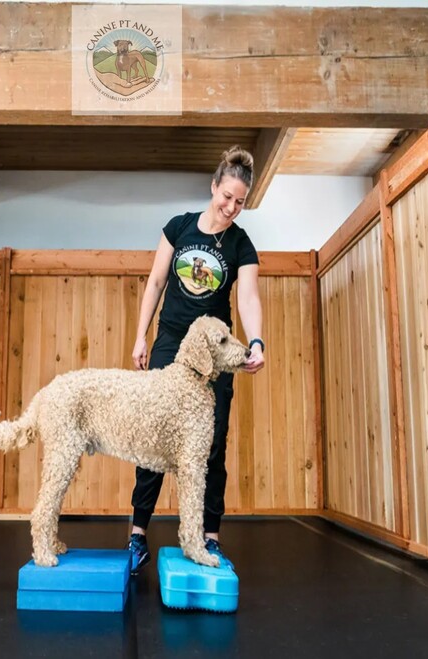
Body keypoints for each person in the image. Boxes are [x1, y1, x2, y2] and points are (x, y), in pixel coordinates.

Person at [127, 145, 265, 573]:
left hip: (215, 353)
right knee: (154, 435)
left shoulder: (241, 244)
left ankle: (210, 536)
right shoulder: (179, 227)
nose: (231, 207)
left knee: (212, 444)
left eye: (240, 202)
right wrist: (140, 336)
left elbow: (248, 296)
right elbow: (154, 282)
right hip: (171, 344)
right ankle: (138, 534)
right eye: (226, 196)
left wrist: (256, 341)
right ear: (213, 186)